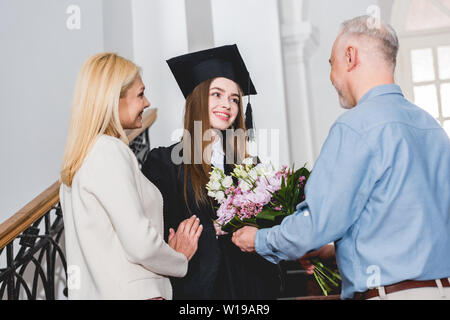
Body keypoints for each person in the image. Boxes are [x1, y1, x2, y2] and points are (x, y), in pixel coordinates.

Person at [232, 16, 450, 300]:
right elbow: (406, 226)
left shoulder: (355, 127)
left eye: (331, 63)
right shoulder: (432, 127)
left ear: (350, 56)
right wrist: (333, 251)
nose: (332, 77)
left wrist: (258, 240)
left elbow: (316, 224)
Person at [59, 53, 202, 300]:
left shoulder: (80, 158)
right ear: (112, 100)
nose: (147, 103)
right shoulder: (108, 150)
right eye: (140, 94)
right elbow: (141, 244)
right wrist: (179, 257)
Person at [142, 45, 280, 299]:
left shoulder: (249, 166)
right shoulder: (164, 163)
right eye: (216, 94)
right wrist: (213, 228)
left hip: (250, 287)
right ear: (197, 98)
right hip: (200, 289)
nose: (227, 104)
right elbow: (162, 236)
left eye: (235, 99)